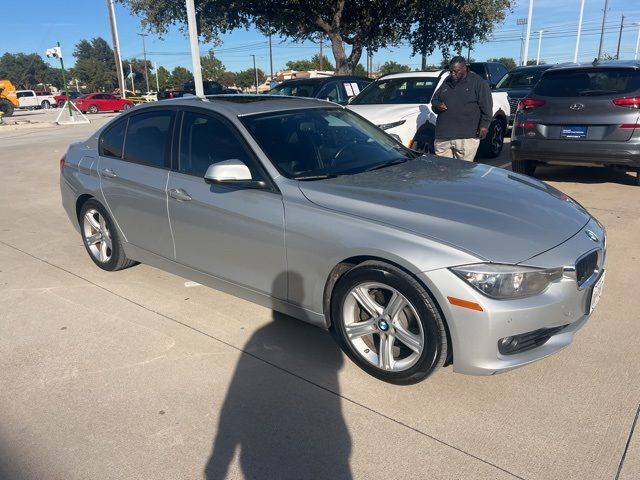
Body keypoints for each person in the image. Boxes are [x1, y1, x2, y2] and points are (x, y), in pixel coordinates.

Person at [431, 56, 493, 161]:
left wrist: (484, 126)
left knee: (462, 173)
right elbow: (434, 100)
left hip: (466, 136)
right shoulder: (447, 81)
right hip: (443, 136)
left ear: (465, 68)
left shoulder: (478, 83)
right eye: (450, 71)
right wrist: (437, 106)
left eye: (456, 71)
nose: (452, 74)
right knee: (442, 171)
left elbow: (486, 107)